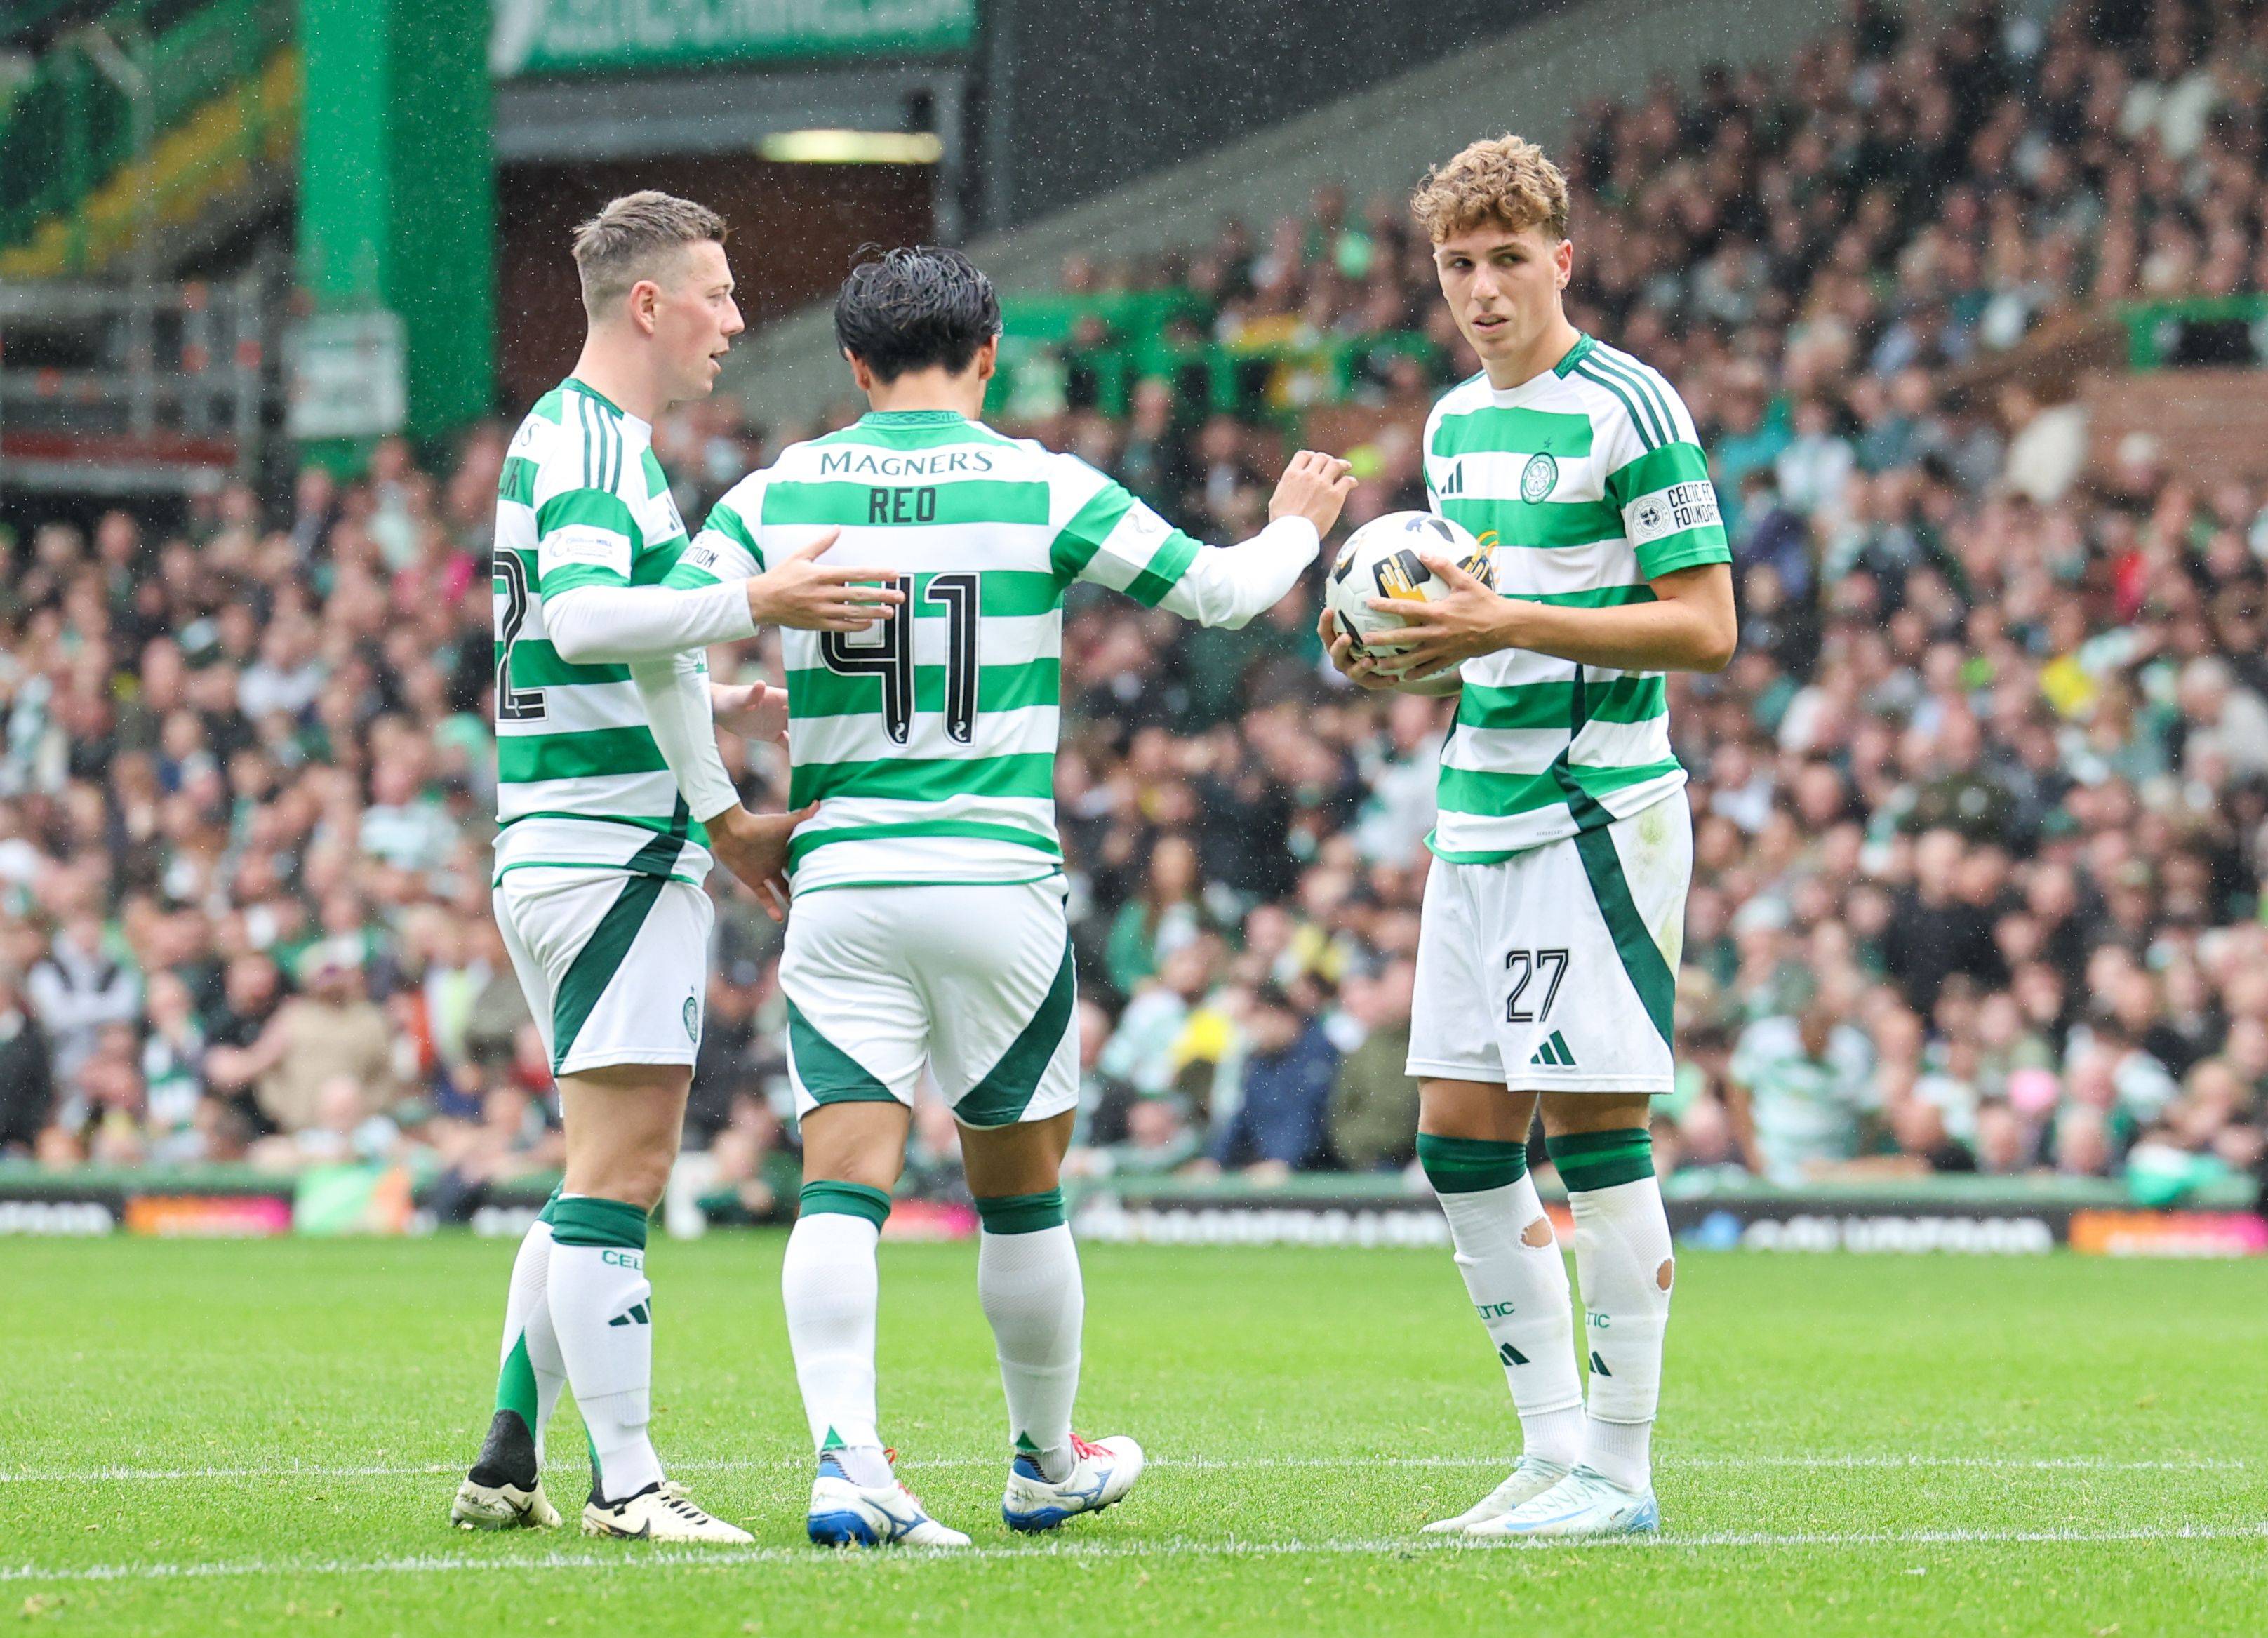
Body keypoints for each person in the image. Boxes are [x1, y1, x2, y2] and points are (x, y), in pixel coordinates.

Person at [669, 245, 1353, 1547]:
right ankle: (1043, 1458)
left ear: (854, 365)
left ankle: (846, 1458)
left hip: (844, 871)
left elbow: (659, 639)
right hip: (996, 876)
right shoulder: (1041, 483)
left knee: (841, 1188)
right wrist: (1298, 523)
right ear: (989, 356)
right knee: (1022, 1191)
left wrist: (724, 802)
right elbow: (1221, 593)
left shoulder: (782, 488)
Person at [451, 191, 903, 1545]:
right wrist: (757, 600)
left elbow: (619, 652)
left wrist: (718, 733)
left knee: (595, 1161)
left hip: (566, 837)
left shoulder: (581, 440)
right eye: (717, 291)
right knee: (624, 1171)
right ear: (648, 304)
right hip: (606, 853)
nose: (737, 319)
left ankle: (510, 1447)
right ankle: (631, 1483)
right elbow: (593, 619)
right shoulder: (596, 442)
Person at [1321, 135, 1735, 1539]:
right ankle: (1551, 1452)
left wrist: (1506, 622)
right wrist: (1393, 656)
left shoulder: (1633, 406)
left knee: (1596, 1137)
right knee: (1457, 1142)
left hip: (1594, 810)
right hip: (1476, 809)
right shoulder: (1448, 426)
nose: (1484, 288)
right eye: (1459, 264)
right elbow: (1474, 635)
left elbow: (1706, 626)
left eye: (1509, 259)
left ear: (1562, 258)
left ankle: (1618, 1468)